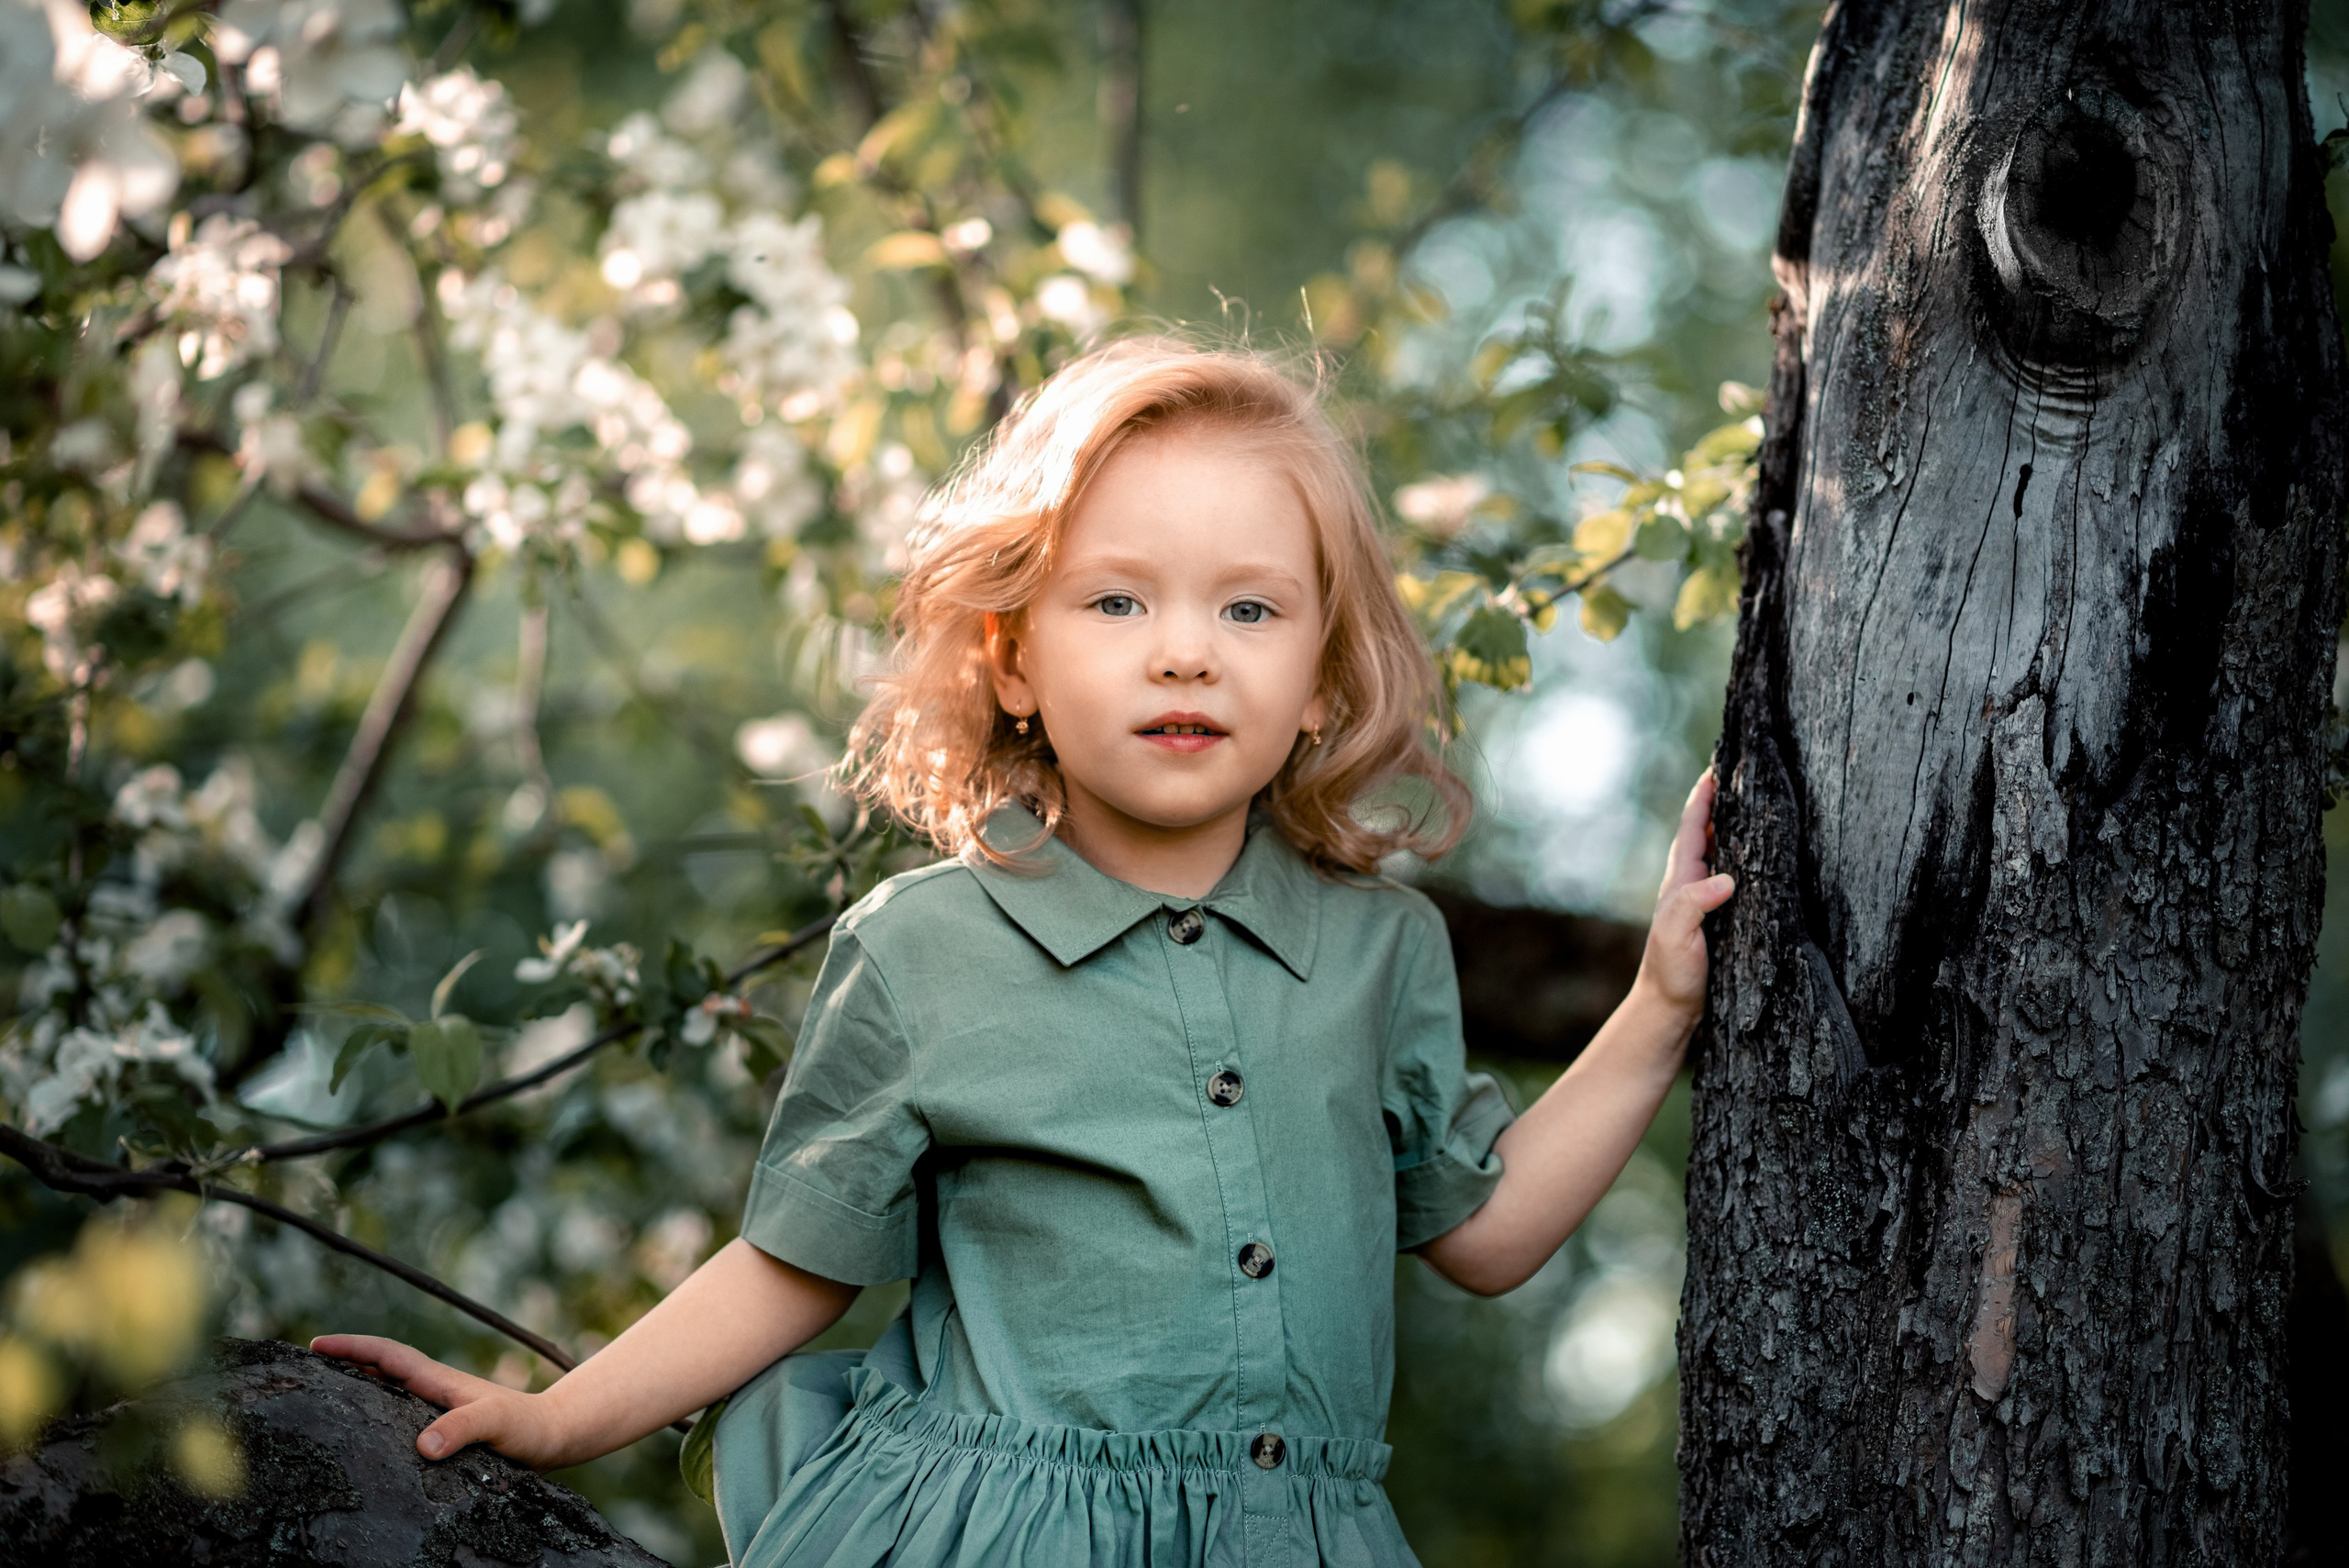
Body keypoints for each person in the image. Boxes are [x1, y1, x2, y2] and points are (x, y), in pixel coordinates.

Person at [317, 338, 1735, 1567]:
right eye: (1117, 601)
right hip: (997, 1527)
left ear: (1320, 677)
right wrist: (557, 1415)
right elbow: (796, 1262)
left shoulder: (1381, 948)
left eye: (1248, 609)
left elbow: (1483, 1232)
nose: (1185, 652)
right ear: (1011, 659)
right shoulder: (927, 946)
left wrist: (1663, 1001)